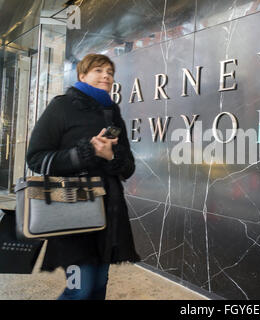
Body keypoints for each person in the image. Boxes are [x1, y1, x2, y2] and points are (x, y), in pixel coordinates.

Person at [26, 53, 141, 300]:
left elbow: (128, 166)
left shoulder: (112, 112)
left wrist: (110, 156)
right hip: (71, 214)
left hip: (106, 216)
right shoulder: (62, 106)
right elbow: (36, 158)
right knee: (80, 289)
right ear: (82, 75)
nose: (106, 76)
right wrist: (84, 153)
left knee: (98, 288)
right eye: (98, 70)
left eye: (109, 72)